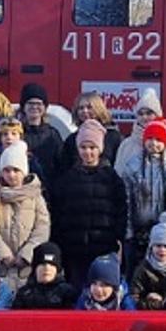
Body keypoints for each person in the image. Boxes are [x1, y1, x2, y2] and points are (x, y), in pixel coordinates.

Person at [48, 120, 128, 287]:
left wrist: (117, 238)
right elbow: (58, 213)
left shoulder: (112, 179)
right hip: (74, 250)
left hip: (104, 248)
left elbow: (121, 211)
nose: (88, 152)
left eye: (92, 148)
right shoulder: (66, 180)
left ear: (100, 149)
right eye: (83, 147)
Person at [0, 141, 50, 288]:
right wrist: (3, 253)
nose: (11, 175)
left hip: (26, 266)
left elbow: (42, 227)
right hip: (2, 266)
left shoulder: (35, 197)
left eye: (16, 170)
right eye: (7, 170)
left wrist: (26, 254)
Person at [121, 118, 166, 259]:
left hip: (164, 229)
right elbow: (126, 199)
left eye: (158, 139)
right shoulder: (133, 165)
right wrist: (129, 231)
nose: (153, 143)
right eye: (150, 138)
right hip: (139, 229)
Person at [130, 214, 166, 310]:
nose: (162, 250)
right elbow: (133, 297)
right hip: (148, 315)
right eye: (158, 245)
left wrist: (163, 300)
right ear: (151, 247)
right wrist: (150, 301)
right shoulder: (143, 269)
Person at [60, 92, 124, 175]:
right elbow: (65, 169)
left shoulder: (113, 137)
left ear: (99, 109)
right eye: (81, 108)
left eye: (89, 107)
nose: (85, 111)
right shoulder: (71, 140)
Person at [18, 83, 64, 178]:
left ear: (45, 107)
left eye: (39, 103)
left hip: (49, 186)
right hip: (23, 187)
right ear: (23, 107)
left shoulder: (52, 134)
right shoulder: (16, 133)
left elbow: (61, 163)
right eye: (30, 103)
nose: (34, 107)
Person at [14, 243, 76, 310]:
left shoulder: (67, 293)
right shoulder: (24, 293)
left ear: (57, 270)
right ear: (35, 268)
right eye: (42, 264)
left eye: (52, 265)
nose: (47, 268)